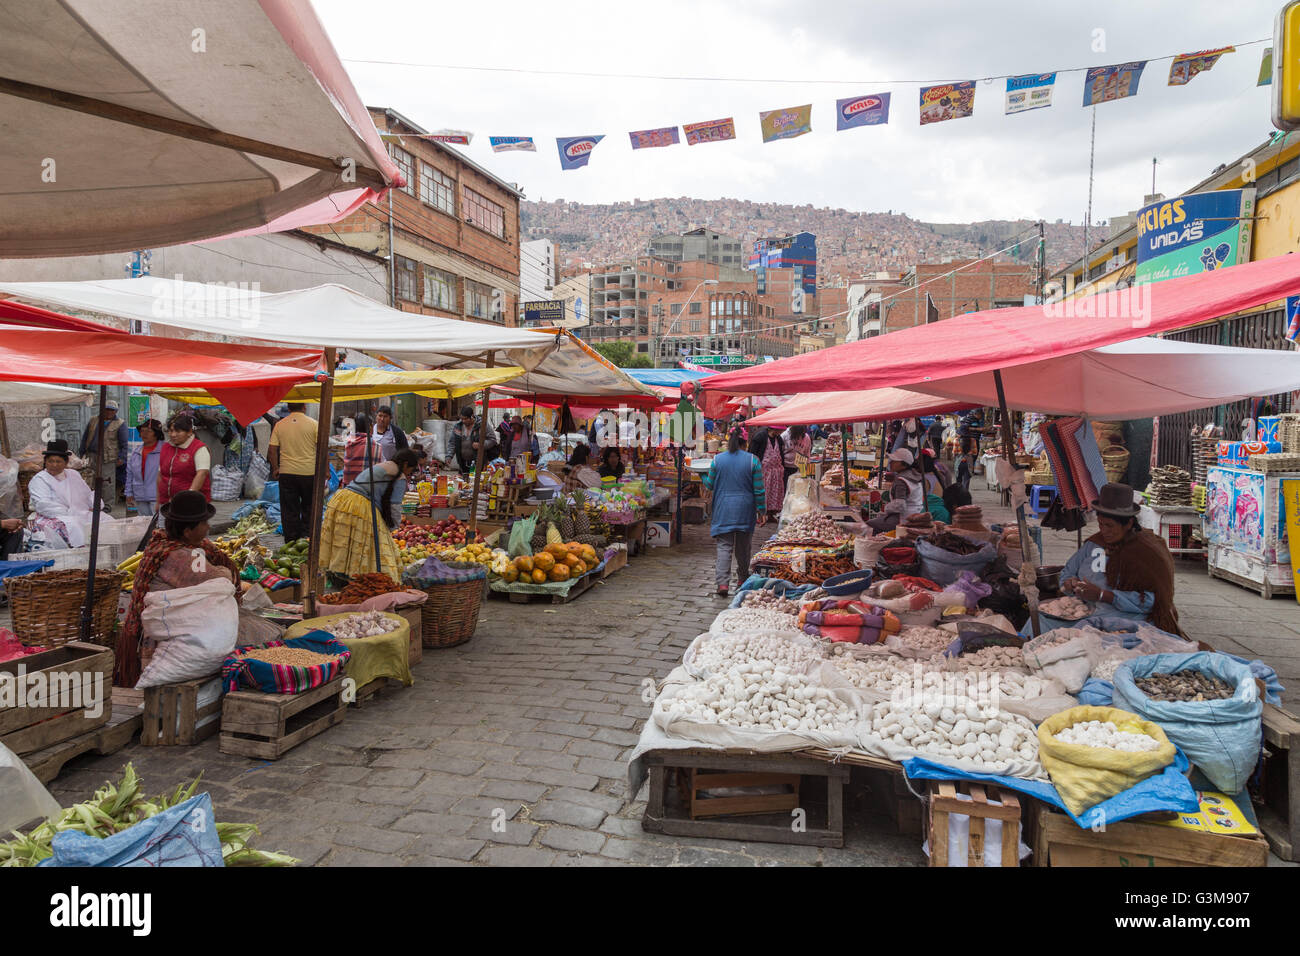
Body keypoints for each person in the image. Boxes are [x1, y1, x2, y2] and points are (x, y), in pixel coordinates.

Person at [115, 491, 238, 687]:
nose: (208, 527)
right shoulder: (180, 556)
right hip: (160, 638)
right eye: (204, 523)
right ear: (188, 532)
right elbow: (222, 578)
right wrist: (223, 569)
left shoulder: (161, 544)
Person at [1057, 482, 1183, 635]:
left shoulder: (1147, 551)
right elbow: (1067, 572)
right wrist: (1070, 583)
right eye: (1100, 524)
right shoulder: (1093, 544)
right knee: (1040, 623)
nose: (1104, 531)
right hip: (1084, 612)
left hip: (1127, 619)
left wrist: (1103, 595)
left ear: (1129, 523)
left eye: (1109, 526)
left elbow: (1153, 601)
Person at [319, 449, 419, 579]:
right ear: (406, 465)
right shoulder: (399, 477)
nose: (410, 474)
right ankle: (362, 578)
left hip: (342, 500)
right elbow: (395, 507)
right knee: (371, 548)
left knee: (344, 544)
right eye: (411, 470)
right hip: (359, 507)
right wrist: (394, 527)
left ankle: (340, 576)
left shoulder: (384, 465)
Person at [702, 429, 765, 597]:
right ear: (745, 443)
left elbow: (709, 485)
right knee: (744, 548)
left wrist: (701, 475)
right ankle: (742, 579)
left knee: (724, 547)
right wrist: (762, 511)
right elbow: (759, 490)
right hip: (745, 509)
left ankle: (722, 584)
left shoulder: (717, 460)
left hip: (723, 509)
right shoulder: (753, 460)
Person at [28, 439, 109, 549]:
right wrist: (70, 512)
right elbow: (43, 505)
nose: (54, 465)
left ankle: (105, 548)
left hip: (80, 512)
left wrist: (94, 505)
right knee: (74, 525)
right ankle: (83, 553)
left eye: (58, 461)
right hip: (55, 516)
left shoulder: (73, 474)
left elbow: (87, 493)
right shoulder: (40, 479)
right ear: (45, 462)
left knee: (106, 519)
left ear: (66, 463)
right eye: (51, 461)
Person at [268, 402, 318, 543]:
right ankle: (306, 538)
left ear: (289, 408)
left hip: (287, 473)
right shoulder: (314, 424)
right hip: (309, 473)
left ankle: (291, 540)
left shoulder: (280, 424)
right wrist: (325, 470)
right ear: (304, 407)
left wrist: (276, 468)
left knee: (289, 508)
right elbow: (322, 449)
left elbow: (272, 450)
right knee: (309, 507)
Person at [80, 399, 129, 506]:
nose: (109, 412)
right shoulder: (93, 420)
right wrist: (82, 452)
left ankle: (108, 505)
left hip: (108, 457)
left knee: (107, 482)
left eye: (112, 410)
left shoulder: (120, 424)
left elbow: (124, 443)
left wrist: (122, 458)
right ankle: (91, 503)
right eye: (106, 410)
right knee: (90, 479)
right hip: (92, 455)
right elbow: (85, 437)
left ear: (116, 411)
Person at [158, 413, 211, 506]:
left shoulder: (199, 448)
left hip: (191, 504)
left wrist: (188, 497)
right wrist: (158, 500)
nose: (173, 434)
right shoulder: (166, 447)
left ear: (189, 432)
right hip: (167, 503)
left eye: (178, 431)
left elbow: (202, 474)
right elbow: (160, 475)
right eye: (170, 431)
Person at [868, 448, 925, 533]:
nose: (891, 463)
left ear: (903, 465)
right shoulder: (915, 476)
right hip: (916, 516)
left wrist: (886, 508)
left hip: (903, 519)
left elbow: (900, 505)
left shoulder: (901, 481)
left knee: (868, 525)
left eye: (894, 461)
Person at [125, 419, 164, 517]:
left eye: (149, 431)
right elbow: (130, 474)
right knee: (144, 524)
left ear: (157, 434)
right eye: (142, 431)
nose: (144, 434)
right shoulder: (136, 452)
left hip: (158, 496)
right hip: (140, 495)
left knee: (159, 525)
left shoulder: (164, 450)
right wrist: (128, 492)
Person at [748, 426, 787, 523]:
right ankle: (760, 514)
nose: (781, 432)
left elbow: (780, 453)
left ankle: (771, 514)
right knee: (763, 492)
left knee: (774, 493)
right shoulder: (760, 437)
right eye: (780, 430)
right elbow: (752, 453)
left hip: (776, 471)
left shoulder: (778, 439)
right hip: (763, 470)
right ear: (773, 429)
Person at [450, 406, 498, 474]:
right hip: (462, 463)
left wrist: (481, 445)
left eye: (466, 419)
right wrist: (449, 456)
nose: (463, 421)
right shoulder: (458, 426)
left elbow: (493, 440)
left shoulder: (482, 425)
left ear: (472, 416)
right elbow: (452, 442)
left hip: (478, 463)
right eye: (462, 419)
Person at [343, 413, 385, 485]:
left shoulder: (348, 442)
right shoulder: (377, 446)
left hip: (348, 487)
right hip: (367, 490)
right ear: (370, 427)